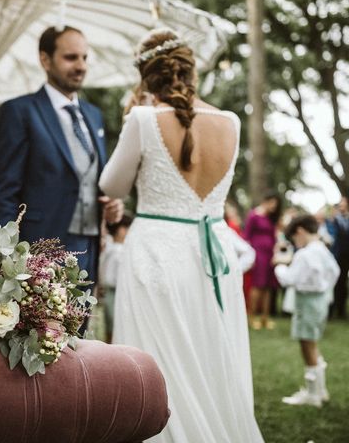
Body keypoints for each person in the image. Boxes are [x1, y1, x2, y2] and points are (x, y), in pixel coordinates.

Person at [99, 28, 263, 442]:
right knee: (211, 348)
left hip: (156, 252)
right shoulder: (230, 121)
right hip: (214, 255)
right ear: (192, 72)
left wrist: (131, 121)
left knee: (157, 356)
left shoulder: (142, 119)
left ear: (145, 78)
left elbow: (111, 186)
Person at [0, 26, 123, 333]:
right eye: (70, 57)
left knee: (77, 334)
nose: (80, 65)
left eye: (84, 57)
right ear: (45, 59)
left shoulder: (93, 115)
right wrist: (2, 258)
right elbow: (6, 190)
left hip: (88, 247)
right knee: (40, 338)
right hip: (40, 246)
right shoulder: (20, 111)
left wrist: (110, 207)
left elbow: (91, 179)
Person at [274, 214, 340, 407]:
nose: (295, 241)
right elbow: (335, 271)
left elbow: (289, 279)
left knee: (307, 345)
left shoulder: (305, 254)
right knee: (313, 344)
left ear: (300, 231)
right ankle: (320, 390)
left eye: (294, 237)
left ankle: (313, 394)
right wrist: (324, 286)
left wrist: (279, 267)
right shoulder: (321, 249)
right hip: (320, 300)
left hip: (307, 302)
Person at [243, 191, 282, 329]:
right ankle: (252, 316)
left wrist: (275, 252)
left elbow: (274, 237)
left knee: (268, 286)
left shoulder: (271, 218)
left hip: (270, 254)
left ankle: (265, 317)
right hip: (257, 254)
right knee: (257, 285)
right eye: (272, 203)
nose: (274, 207)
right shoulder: (254, 215)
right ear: (265, 201)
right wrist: (249, 255)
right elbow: (246, 236)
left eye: (276, 205)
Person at [98, 213, 133, 342]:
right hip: (113, 290)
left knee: (112, 322)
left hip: (114, 290)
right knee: (112, 321)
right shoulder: (117, 250)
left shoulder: (112, 248)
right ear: (121, 230)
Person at [329, 196, 349, 318]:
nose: (340, 204)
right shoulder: (335, 219)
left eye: (343, 202)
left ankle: (341, 310)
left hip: (347, 255)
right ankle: (332, 310)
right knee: (335, 282)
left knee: (343, 283)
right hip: (337, 255)